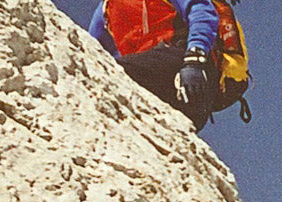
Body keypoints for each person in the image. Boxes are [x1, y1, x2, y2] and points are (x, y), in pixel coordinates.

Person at [88, 0, 219, 131]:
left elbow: (202, 13)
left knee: (114, 72)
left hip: (186, 67)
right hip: (170, 82)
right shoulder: (106, 9)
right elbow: (92, 55)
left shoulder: (107, 9)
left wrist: (194, 60)